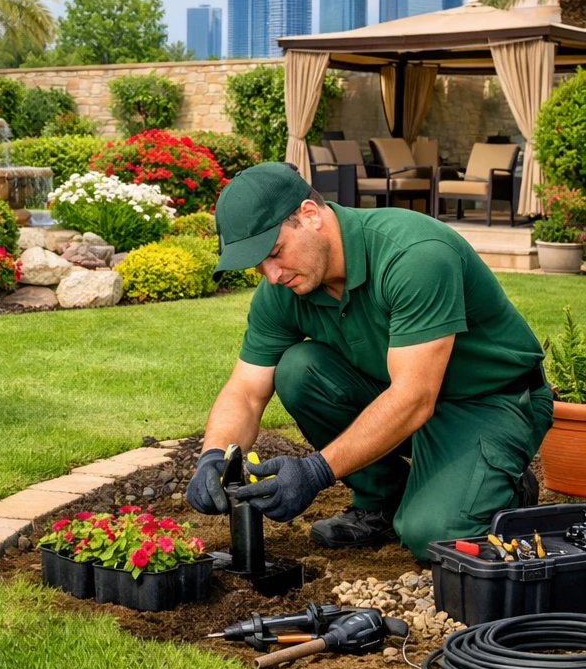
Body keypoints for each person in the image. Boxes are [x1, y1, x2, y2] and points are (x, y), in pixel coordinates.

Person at [185, 162, 553, 559]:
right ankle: (382, 501)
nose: (271, 275)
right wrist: (214, 455)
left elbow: (414, 398)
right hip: (402, 393)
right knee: (297, 369)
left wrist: (315, 472)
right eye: (259, 266)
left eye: (275, 253)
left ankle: (505, 486)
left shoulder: (414, 256)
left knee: (432, 535)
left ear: (310, 215)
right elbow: (246, 390)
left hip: (489, 400)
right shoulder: (284, 287)